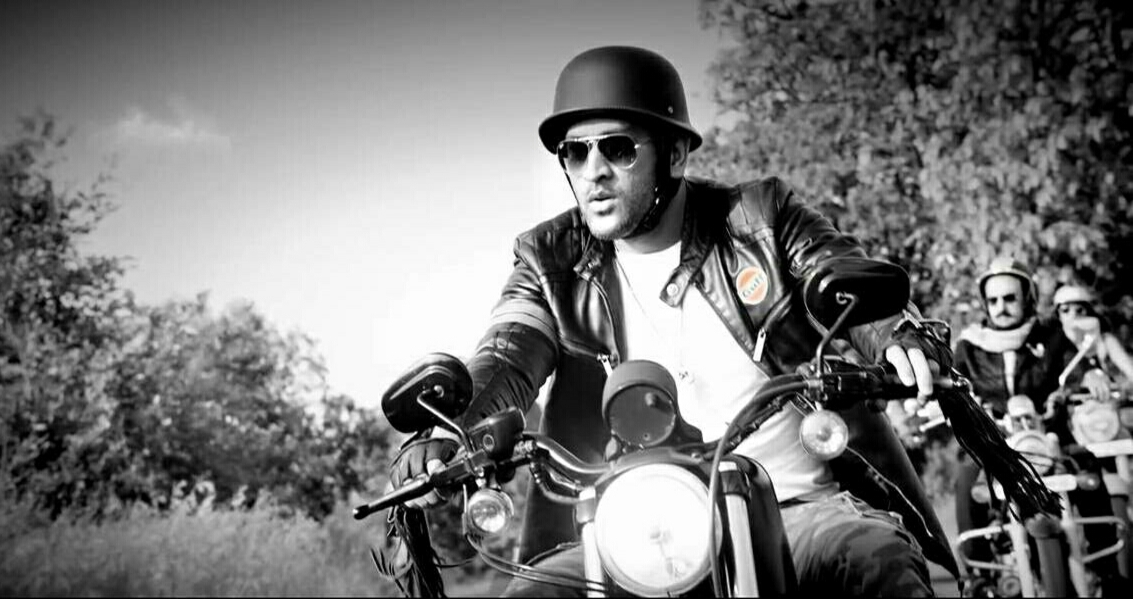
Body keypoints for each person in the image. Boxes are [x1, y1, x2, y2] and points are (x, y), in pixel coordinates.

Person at [390, 45, 962, 597]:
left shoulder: (760, 219)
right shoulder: (548, 260)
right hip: (633, 530)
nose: (593, 172)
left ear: (676, 154)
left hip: (795, 512)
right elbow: (507, 354)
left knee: (872, 557)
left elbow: (833, 272)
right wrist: (451, 428)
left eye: (617, 148)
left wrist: (895, 334)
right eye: (575, 153)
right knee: (530, 597)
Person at [951, 260, 1122, 589]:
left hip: (1047, 435)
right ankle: (980, 577)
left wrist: (1091, 374)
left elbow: (1075, 364)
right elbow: (952, 381)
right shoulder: (969, 346)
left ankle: (1108, 569)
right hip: (994, 438)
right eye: (993, 300)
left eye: (1010, 298)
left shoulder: (1051, 336)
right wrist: (935, 397)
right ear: (985, 303)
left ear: (1027, 298)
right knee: (966, 479)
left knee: (1087, 470)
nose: (1001, 306)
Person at [1051, 283, 1133, 386]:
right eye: (1065, 310)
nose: (1073, 315)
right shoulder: (1055, 343)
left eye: (1079, 310)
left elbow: (1129, 371)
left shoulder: (1105, 341)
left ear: (1087, 312)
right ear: (1058, 315)